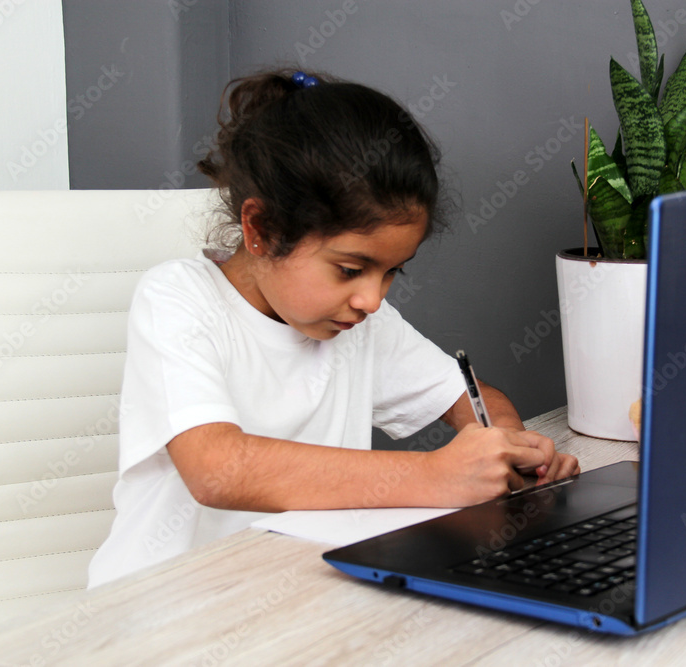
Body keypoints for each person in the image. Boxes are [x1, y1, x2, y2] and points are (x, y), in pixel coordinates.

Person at [87, 68, 579, 587]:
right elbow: (216, 469)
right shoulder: (178, 299)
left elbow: (468, 396)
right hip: (160, 611)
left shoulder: (360, 323)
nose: (372, 298)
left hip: (292, 599)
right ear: (261, 229)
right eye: (350, 269)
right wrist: (436, 476)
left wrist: (507, 448)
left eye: (392, 271)